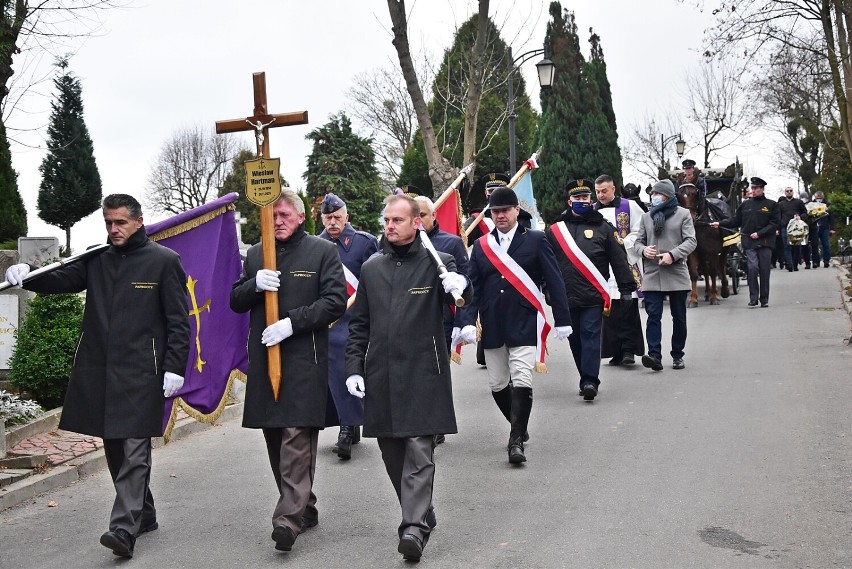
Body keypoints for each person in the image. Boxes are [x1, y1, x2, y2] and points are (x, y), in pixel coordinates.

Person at [4, 194, 190, 559]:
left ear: (138, 221)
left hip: (144, 372)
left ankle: (123, 529)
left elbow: (179, 321)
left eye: (120, 222)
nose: (113, 229)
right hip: (102, 371)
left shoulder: (164, 262)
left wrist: (174, 366)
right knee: (116, 449)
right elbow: (60, 280)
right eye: (108, 222)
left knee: (135, 449)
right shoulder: (97, 259)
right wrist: (28, 275)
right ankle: (145, 513)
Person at [344, 194, 472, 562]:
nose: (389, 226)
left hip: (423, 371)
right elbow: (360, 326)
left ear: (417, 222)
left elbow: (464, 297)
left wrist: (460, 287)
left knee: (419, 447)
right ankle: (421, 509)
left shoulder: (438, 263)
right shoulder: (371, 268)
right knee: (391, 451)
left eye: (397, 220)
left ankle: (413, 528)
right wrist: (354, 368)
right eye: (386, 220)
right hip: (381, 372)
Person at [230, 189, 347, 553]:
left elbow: (335, 302)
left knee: (297, 436)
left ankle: (287, 520)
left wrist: (292, 323)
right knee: (276, 438)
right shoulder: (255, 254)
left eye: (283, 215)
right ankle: (305, 507)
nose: (277, 221)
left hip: (304, 359)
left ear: (299, 217)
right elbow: (235, 300)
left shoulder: (322, 251)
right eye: (272, 216)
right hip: (266, 360)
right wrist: (254, 283)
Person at [460, 187, 572, 463]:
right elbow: (473, 286)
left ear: (516, 211)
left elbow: (554, 280)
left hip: (524, 319)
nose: (500, 216)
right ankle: (518, 424)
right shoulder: (483, 246)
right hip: (493, 320)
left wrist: (563, 318)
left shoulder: (534, 239)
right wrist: (465, 323)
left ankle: (515, 439)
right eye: (495, 211)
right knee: (498, 383)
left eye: (504, 210)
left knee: (521, 376)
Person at [549, 178, 636, 400]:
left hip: (593, 296)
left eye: (585, 197)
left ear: (591, 199)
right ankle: (584, 376)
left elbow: (619, 260)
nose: (582, 201)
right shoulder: (555, 230)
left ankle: (590, 381)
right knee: (575, 339)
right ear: (569, 201)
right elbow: (545, 264)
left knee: (590, 336)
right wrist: (546, 289)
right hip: (565, 297)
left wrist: (627, 289)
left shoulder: (604, 228)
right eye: (577, 198)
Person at [317, 192, 379, 460]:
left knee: (347, 367)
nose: (332, 222)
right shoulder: (315, 245)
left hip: (354, 318)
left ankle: (347, 427)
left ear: (347, 216)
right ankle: (348, 422)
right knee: (329, 374)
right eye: (328, 217)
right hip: (326, 319)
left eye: (337, 217)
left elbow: (377, 277)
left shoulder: (363, 243)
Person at [633, 179, 697, 371]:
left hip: (676, 272)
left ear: (667, 196)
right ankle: (655, 356)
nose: (653, 197)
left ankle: (678, 354)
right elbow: (637, 243)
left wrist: (672, 255)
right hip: (652, 274)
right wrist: (644, 251)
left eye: (656, 194)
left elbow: (691, 241)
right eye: (652, 194)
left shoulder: (683, 214)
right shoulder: (646, 217)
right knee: (653, 316)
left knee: (679, 317)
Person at [593, 174, 646, 367]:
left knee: (627, 306)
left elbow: (640, 230)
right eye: (598, 192)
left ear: (613, 189)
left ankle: (628, 350)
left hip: (625, 262)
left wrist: (624, 243)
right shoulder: (593, 211)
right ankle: (614, 350)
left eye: (604, 191)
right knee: (609, 310)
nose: (601, 195)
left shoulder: (629, 206)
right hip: (603, 265)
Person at [712, 177, 780, 308]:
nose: (753, 191)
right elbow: (735, 221)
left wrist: (760, 233)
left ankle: (764, 299)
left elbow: (775, 223)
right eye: (752, 188)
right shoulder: (745, 205)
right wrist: (719, 223)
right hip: (749, 242)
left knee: (765, 270)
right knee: (752, 268)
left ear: (762, 189)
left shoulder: (772, 205)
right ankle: (753, 298)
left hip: (765, 241)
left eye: (756, 188)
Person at [777, 187, 807, 271]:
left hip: (796, 227)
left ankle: (795, 264)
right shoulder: (781, 204)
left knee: (797, 246)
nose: (789, 192)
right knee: (786, 246)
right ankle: (789, 264)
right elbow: (778, 216)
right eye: (787, 191)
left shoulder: (799, 202)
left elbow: (805, 213)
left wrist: (800, 217)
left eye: (790, 191)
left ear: (793, 192)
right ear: (785, 192)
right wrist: (777, 228)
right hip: (785, 227)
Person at [807, 191, 835, 268]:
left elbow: (831, 217)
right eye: (817, 197)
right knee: (814, 245)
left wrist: (832, 228)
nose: (818, 198)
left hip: (824, 227)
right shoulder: (811, 205)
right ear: (815, 197)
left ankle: (826, 260)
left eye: (820, 197)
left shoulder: (827, 205)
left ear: (823, 197)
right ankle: (815, 261)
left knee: (825, 244)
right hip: (814, 228)